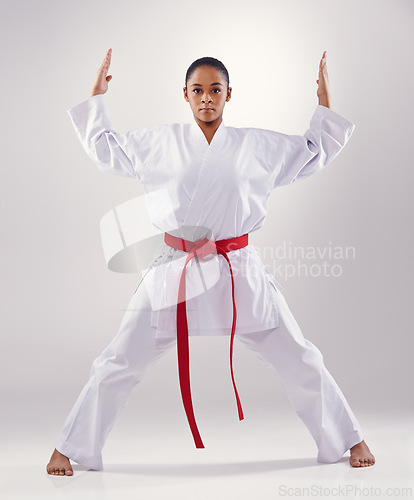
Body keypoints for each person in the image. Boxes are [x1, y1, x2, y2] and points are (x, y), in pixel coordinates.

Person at [46, 49, 375, 475]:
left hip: (237, 268)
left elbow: (312, 152)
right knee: (120, 358)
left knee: (299, 355)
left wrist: (324, 104)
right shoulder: (159, 143)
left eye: (215, 90)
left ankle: (349, 438)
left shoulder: (256, 145)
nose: (206, 98)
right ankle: (71, 448)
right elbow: (106, 149)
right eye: (197, 90)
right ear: (184, 95)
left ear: (228, 94)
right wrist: (96, 97)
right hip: (174, 269)